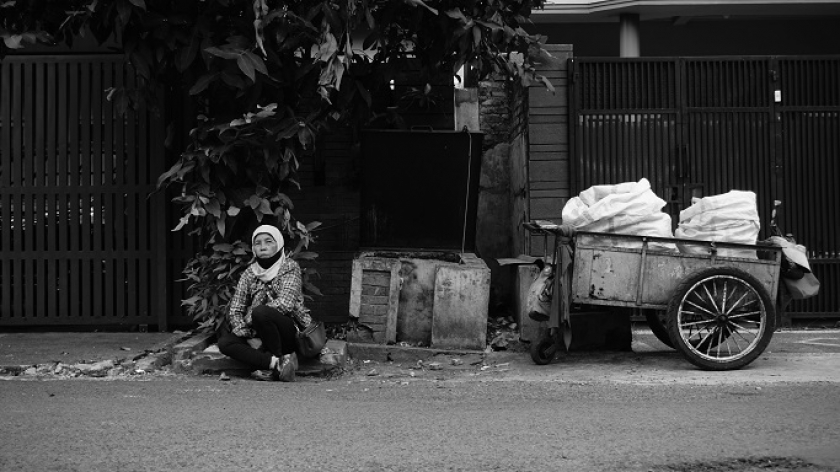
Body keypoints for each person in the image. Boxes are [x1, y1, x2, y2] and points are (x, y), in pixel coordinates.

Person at [217, 224, 312, 382]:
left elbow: (285, 304)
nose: (263, 247)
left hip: (286, 331)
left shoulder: (289, 267)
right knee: (225, 343)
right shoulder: (250, 272)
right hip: (257, 332)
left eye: (268, 242)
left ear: (279, 244)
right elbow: (235, 309)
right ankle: (276, 363)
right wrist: (246, 334)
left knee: (261, 312)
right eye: (258, 243)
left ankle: (278, 357)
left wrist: (250, 320)